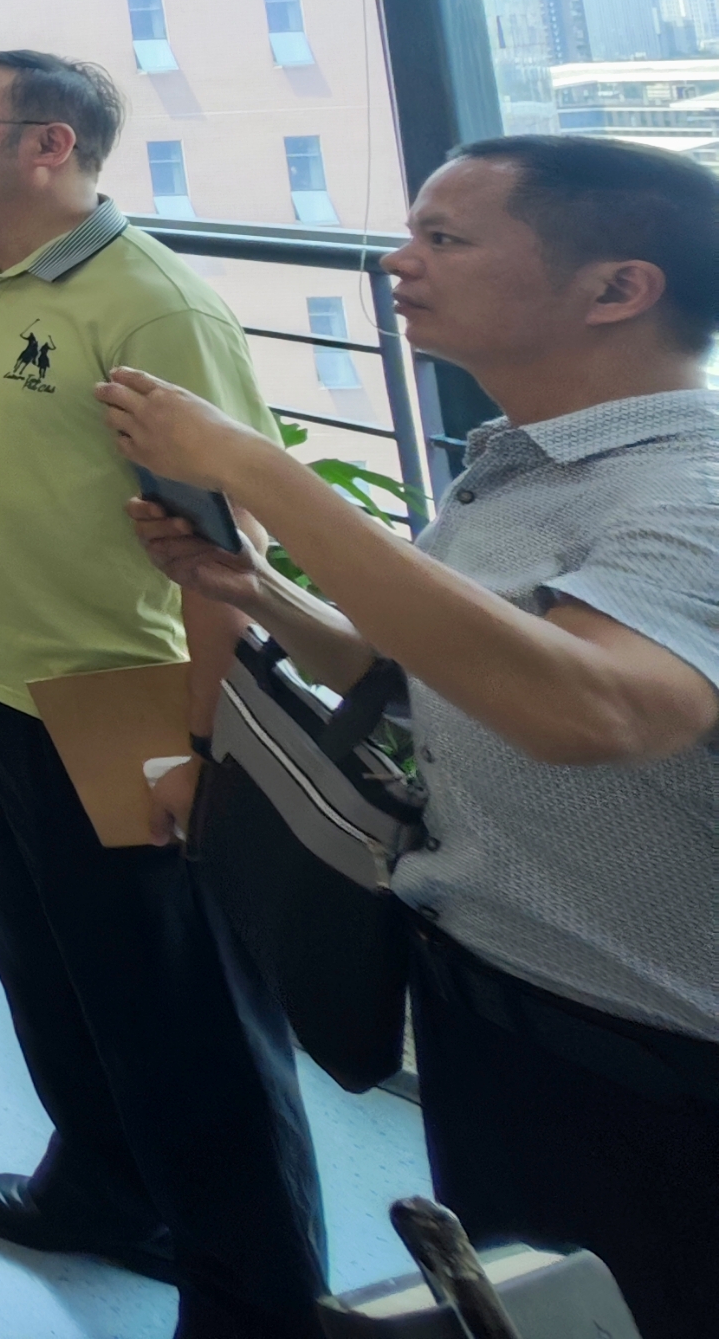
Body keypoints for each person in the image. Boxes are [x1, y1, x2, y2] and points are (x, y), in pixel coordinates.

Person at [102, 134, 719, 1336]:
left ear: (615, 287)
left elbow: (594, 709)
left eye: (442, 237)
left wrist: (256, 470)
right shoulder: (517, 465)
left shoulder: (684, 491)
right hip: (494, 990)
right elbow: (430, 679)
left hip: (647, 1048)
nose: (398, 260)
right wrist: (259, 593)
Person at [0, 50, 326, 1335]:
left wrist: (200, 740)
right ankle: (101, 1186)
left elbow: (224, 544)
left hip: (115, 700)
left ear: (48, 143)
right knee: (48, 970)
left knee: (182, 1013)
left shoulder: (152, 308)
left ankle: (254, 1296)